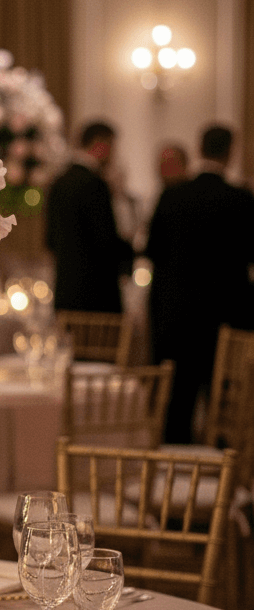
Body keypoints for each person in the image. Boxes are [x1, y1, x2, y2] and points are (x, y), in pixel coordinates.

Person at [146, 124, 254, 442]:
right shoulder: (241, 199)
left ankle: (171, 472)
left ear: (199, 149)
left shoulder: (172, 195)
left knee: (176, 401)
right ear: (230, 152)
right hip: (226, 316)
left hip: (176, 315)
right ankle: (222, 471)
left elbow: (152, 251)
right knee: (223, 401)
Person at [45, 121, 135, 313]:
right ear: (100, 144)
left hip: (65, 292)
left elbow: (50, 239)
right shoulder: (95, 184)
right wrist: (129, 256)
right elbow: (105, 242)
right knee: (100, 343)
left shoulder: (58, 181)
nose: (113, 154)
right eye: (112, 146)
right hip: (97, 296)